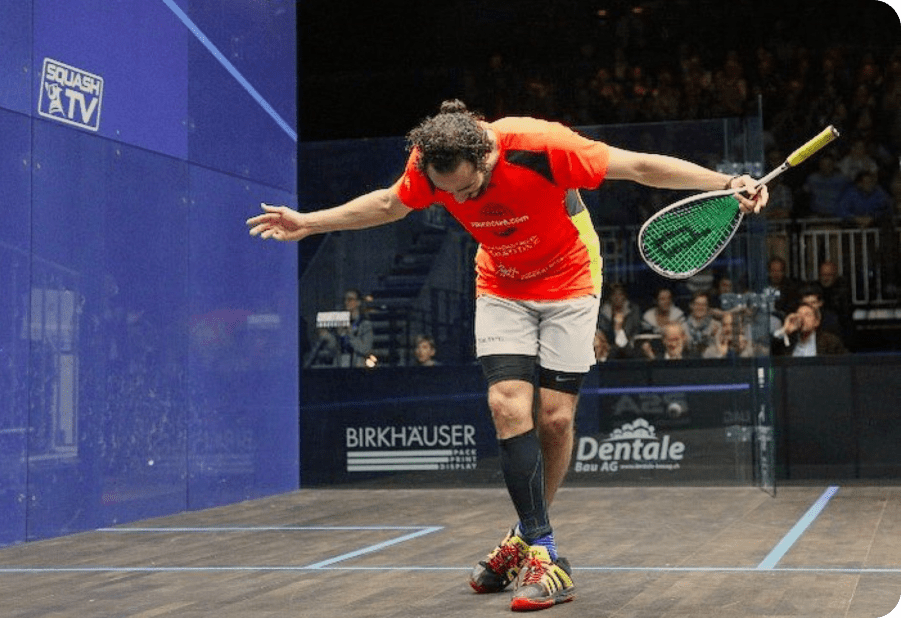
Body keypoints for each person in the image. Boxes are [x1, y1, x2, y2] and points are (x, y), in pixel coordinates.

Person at [246, 100, 767, 611]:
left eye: (469, 188)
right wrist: (309, 222)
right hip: (501, 283)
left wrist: (727, 182)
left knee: (555, 419)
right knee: (505, 403)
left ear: (485, 154)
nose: (461, 199)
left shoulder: (542, 146)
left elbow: (641, 167)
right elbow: (388, 204)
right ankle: (545, 552)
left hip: (570, 277)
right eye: (449, 193)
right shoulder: (429, 165)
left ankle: (522, 539)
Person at [305, 289, 375, 368]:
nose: (346, 302)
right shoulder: (340, 322)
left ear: (358, 302)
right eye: (345, 300)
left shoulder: (365, 324)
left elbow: (365, 349)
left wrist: (350, 335)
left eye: (350, 299)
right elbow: (334, 350)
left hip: (357, 365)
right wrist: (329, 338)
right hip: (340, 364)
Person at [775, 302, 848, 356]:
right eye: (799, 315)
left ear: (816, 322)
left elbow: (845, 364)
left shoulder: (830, 342)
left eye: (807, 315)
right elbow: (770, 350)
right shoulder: (787, 341)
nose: (801, 318)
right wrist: (785, 330)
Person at [683, 290, 720, 357]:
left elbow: (720, 351)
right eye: (697, 304)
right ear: (691, 306)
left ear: (708, 307)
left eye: (703, 305)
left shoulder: (716, 326)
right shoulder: (682, 327)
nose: (700, 308)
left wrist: (713, 337)